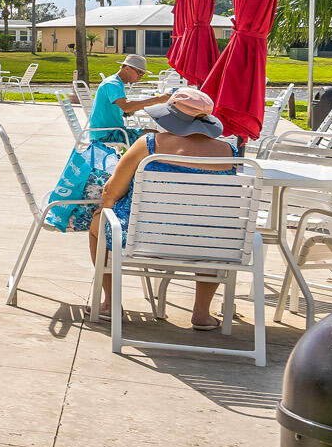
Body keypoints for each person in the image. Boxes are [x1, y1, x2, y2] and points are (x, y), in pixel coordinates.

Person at [89, 85, 243, 329]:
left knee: (99, 224)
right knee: (213, 228)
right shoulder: (228, 152)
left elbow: (111, 191)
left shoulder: (149, 145)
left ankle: (110, 303)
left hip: (143, 238)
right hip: (208, 245)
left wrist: (104, 210)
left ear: (171, 118)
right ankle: (202, 314)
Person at [87, 53, 175, 143]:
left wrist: (127, 112)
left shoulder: (116, 82)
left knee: (153, 135)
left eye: (143, 74)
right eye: (139, 72)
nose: (141, 76)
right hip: (106, 134)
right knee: (155, 136)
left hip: (111, 131)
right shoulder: (112, 84)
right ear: (127, 68)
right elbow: (126, 107)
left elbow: (123, 109)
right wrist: (158, 100)